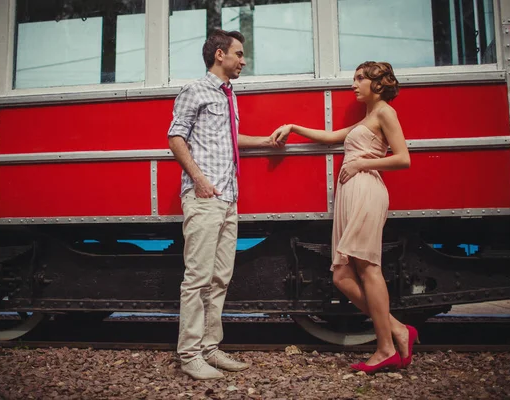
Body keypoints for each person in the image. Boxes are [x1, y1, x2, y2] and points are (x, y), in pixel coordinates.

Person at [270, 61, 418, 374]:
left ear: (377, 84)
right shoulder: (367, 118)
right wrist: (293, 127)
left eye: (360, 78)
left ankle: (385, 348)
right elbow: (329, 137)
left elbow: (403, 158)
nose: (354, 84)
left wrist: (362, 165)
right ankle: (398, 330)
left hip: (367, 190)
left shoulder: (385, 113)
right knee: (341, 276)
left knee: (368, 268)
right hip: (352, 194)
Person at [168, 29, 282, 380]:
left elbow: (229, 139)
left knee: (219, 279)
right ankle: (189, 355)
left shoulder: (228, 95)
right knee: (198, 279)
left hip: (228, 200)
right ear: (220, 55)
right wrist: (200, 181)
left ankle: (209, 348)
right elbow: (175, 137)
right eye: (239, 53)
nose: (243, 60)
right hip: (205, 198)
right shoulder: (195, 90)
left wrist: (265, 140)